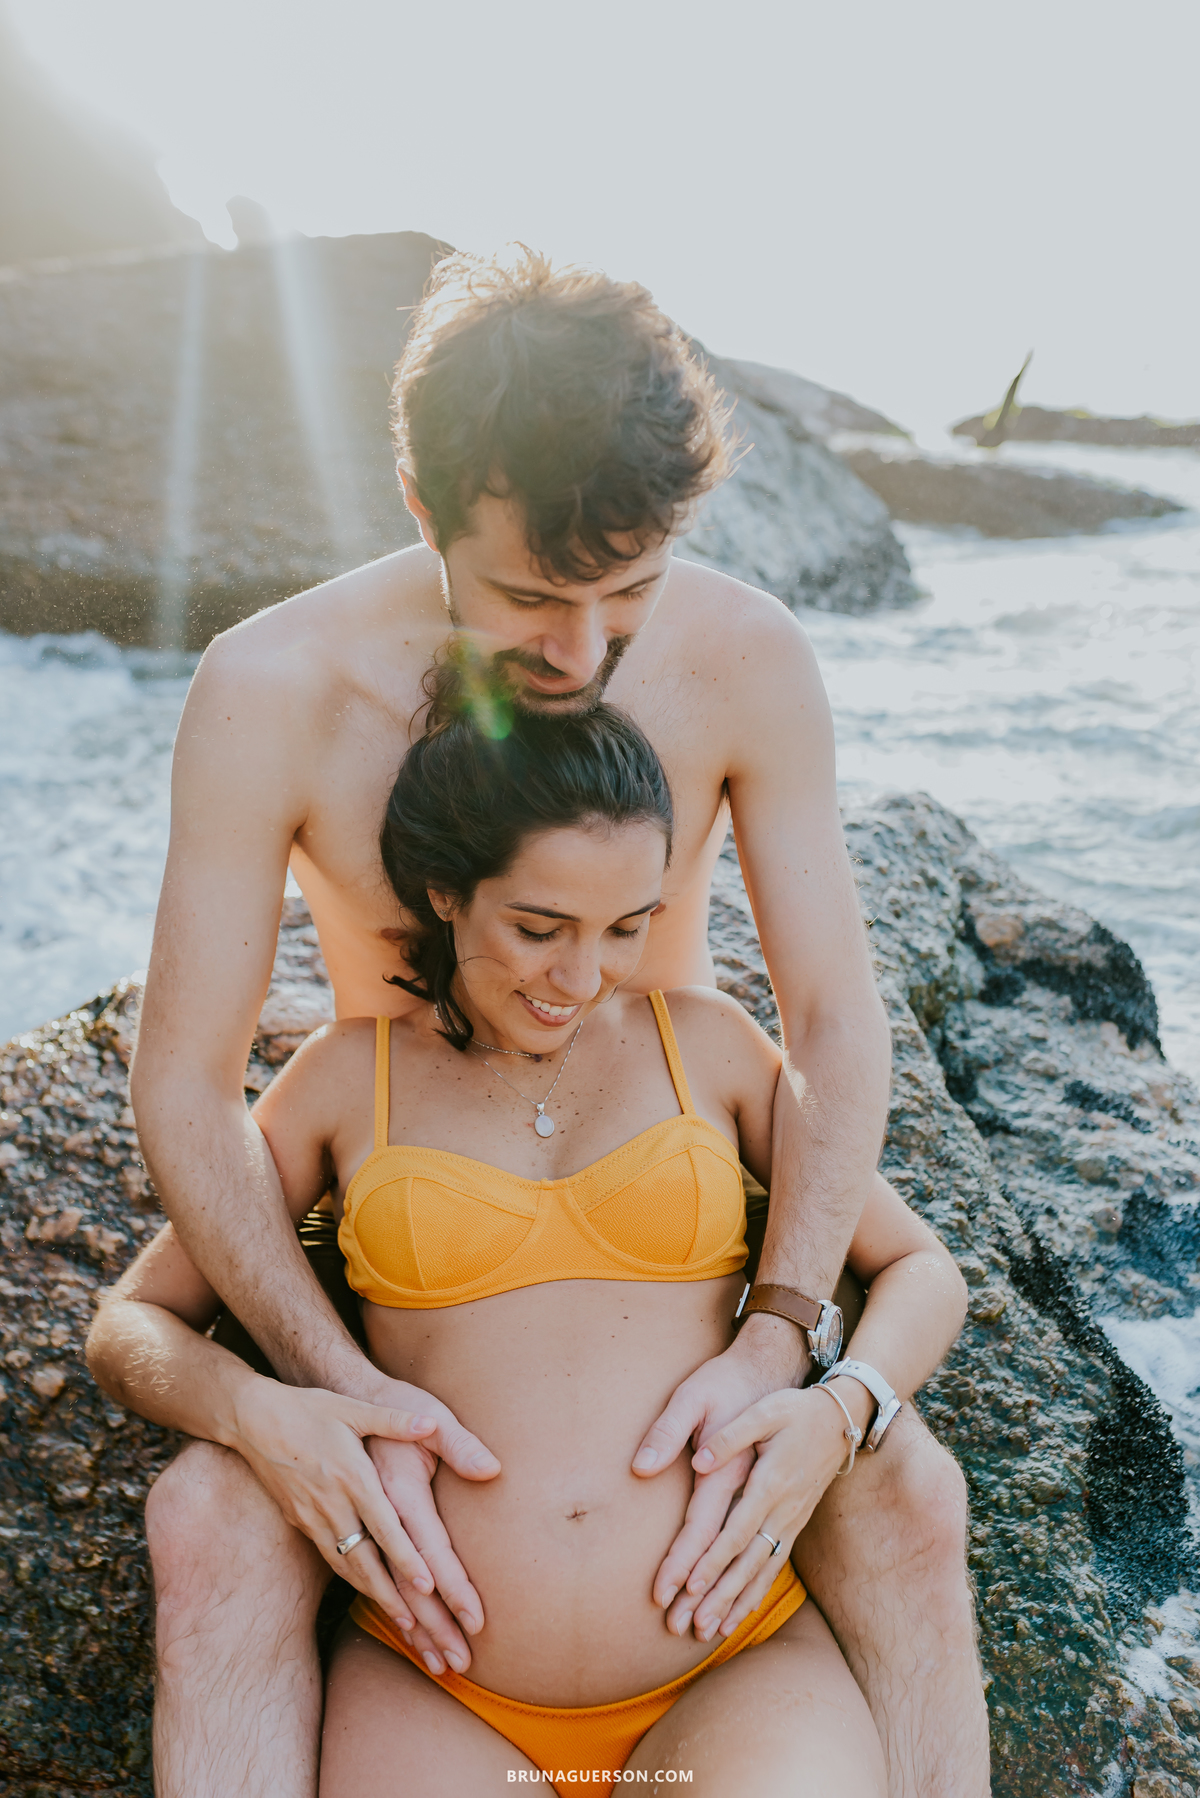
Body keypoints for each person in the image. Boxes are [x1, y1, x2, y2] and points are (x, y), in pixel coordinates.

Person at [129, 247, 990, 1796]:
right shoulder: (269, 686)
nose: (583, 652)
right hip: (417, 1232)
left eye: (631, 590)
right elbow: (187, 1085)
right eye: (531, 593)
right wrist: (327, 1384)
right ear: (422, 503)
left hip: (677, 1212)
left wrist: (785, 1334)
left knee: (909, 1488)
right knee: (209, 1514)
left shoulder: (746, 658)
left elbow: (831, 1017)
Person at [90, 687, 969, 1797]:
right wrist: (256, 1412)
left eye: (626, 928)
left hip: (733, 1667)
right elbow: (130, 1328)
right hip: (435, 1688)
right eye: (540, 929)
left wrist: (840, 1410)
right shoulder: (347, 1079)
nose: (580, 977)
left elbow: (922, 1270)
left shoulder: (706, 1048)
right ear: (447, 893)